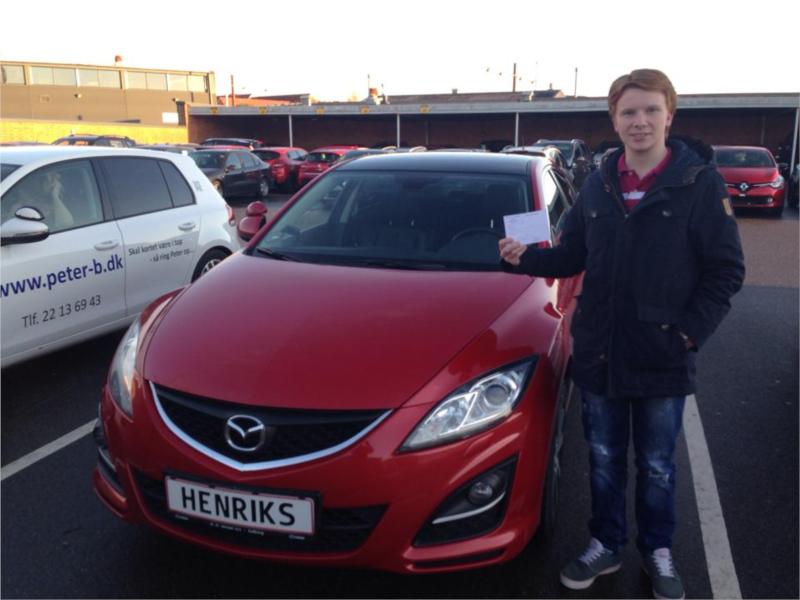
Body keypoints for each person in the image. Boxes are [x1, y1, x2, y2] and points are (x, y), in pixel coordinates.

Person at [499, 69, 745, 600]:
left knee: (657, 467)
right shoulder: (598, 183)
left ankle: (658, 551)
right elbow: (572, 254)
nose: (640, 121)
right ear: (614, 120)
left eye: (651, 110)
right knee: (605, 460)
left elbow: (726, 271)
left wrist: (687, 335)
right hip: (600, 354)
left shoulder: (699, 184)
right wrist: (525, 260)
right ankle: (605, 544)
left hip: (662, 356)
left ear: (669, 116)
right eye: (629, 112)